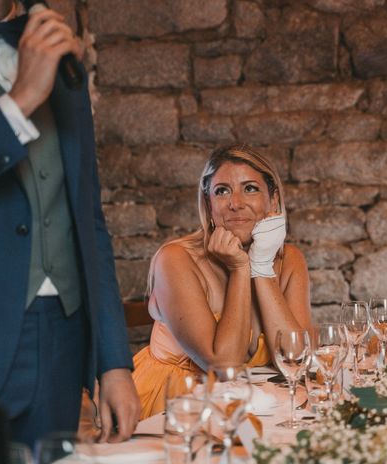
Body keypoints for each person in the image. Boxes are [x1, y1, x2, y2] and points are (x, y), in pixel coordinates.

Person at [0, 0, 140, 462]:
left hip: (61, 346)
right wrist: (21, 98)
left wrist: (113, 362)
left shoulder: (61, 54)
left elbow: (88, 218)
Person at [132, 144, 312, 418]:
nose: (235, 203)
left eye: (250, 188)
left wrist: (260, 266)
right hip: (175, 408)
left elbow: (299, 359)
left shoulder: (289, 260)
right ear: (208, 203)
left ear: (272, 200)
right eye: (222, 191)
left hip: (253, 405)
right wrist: (240, 267)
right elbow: (224, 365)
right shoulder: (176, 259)